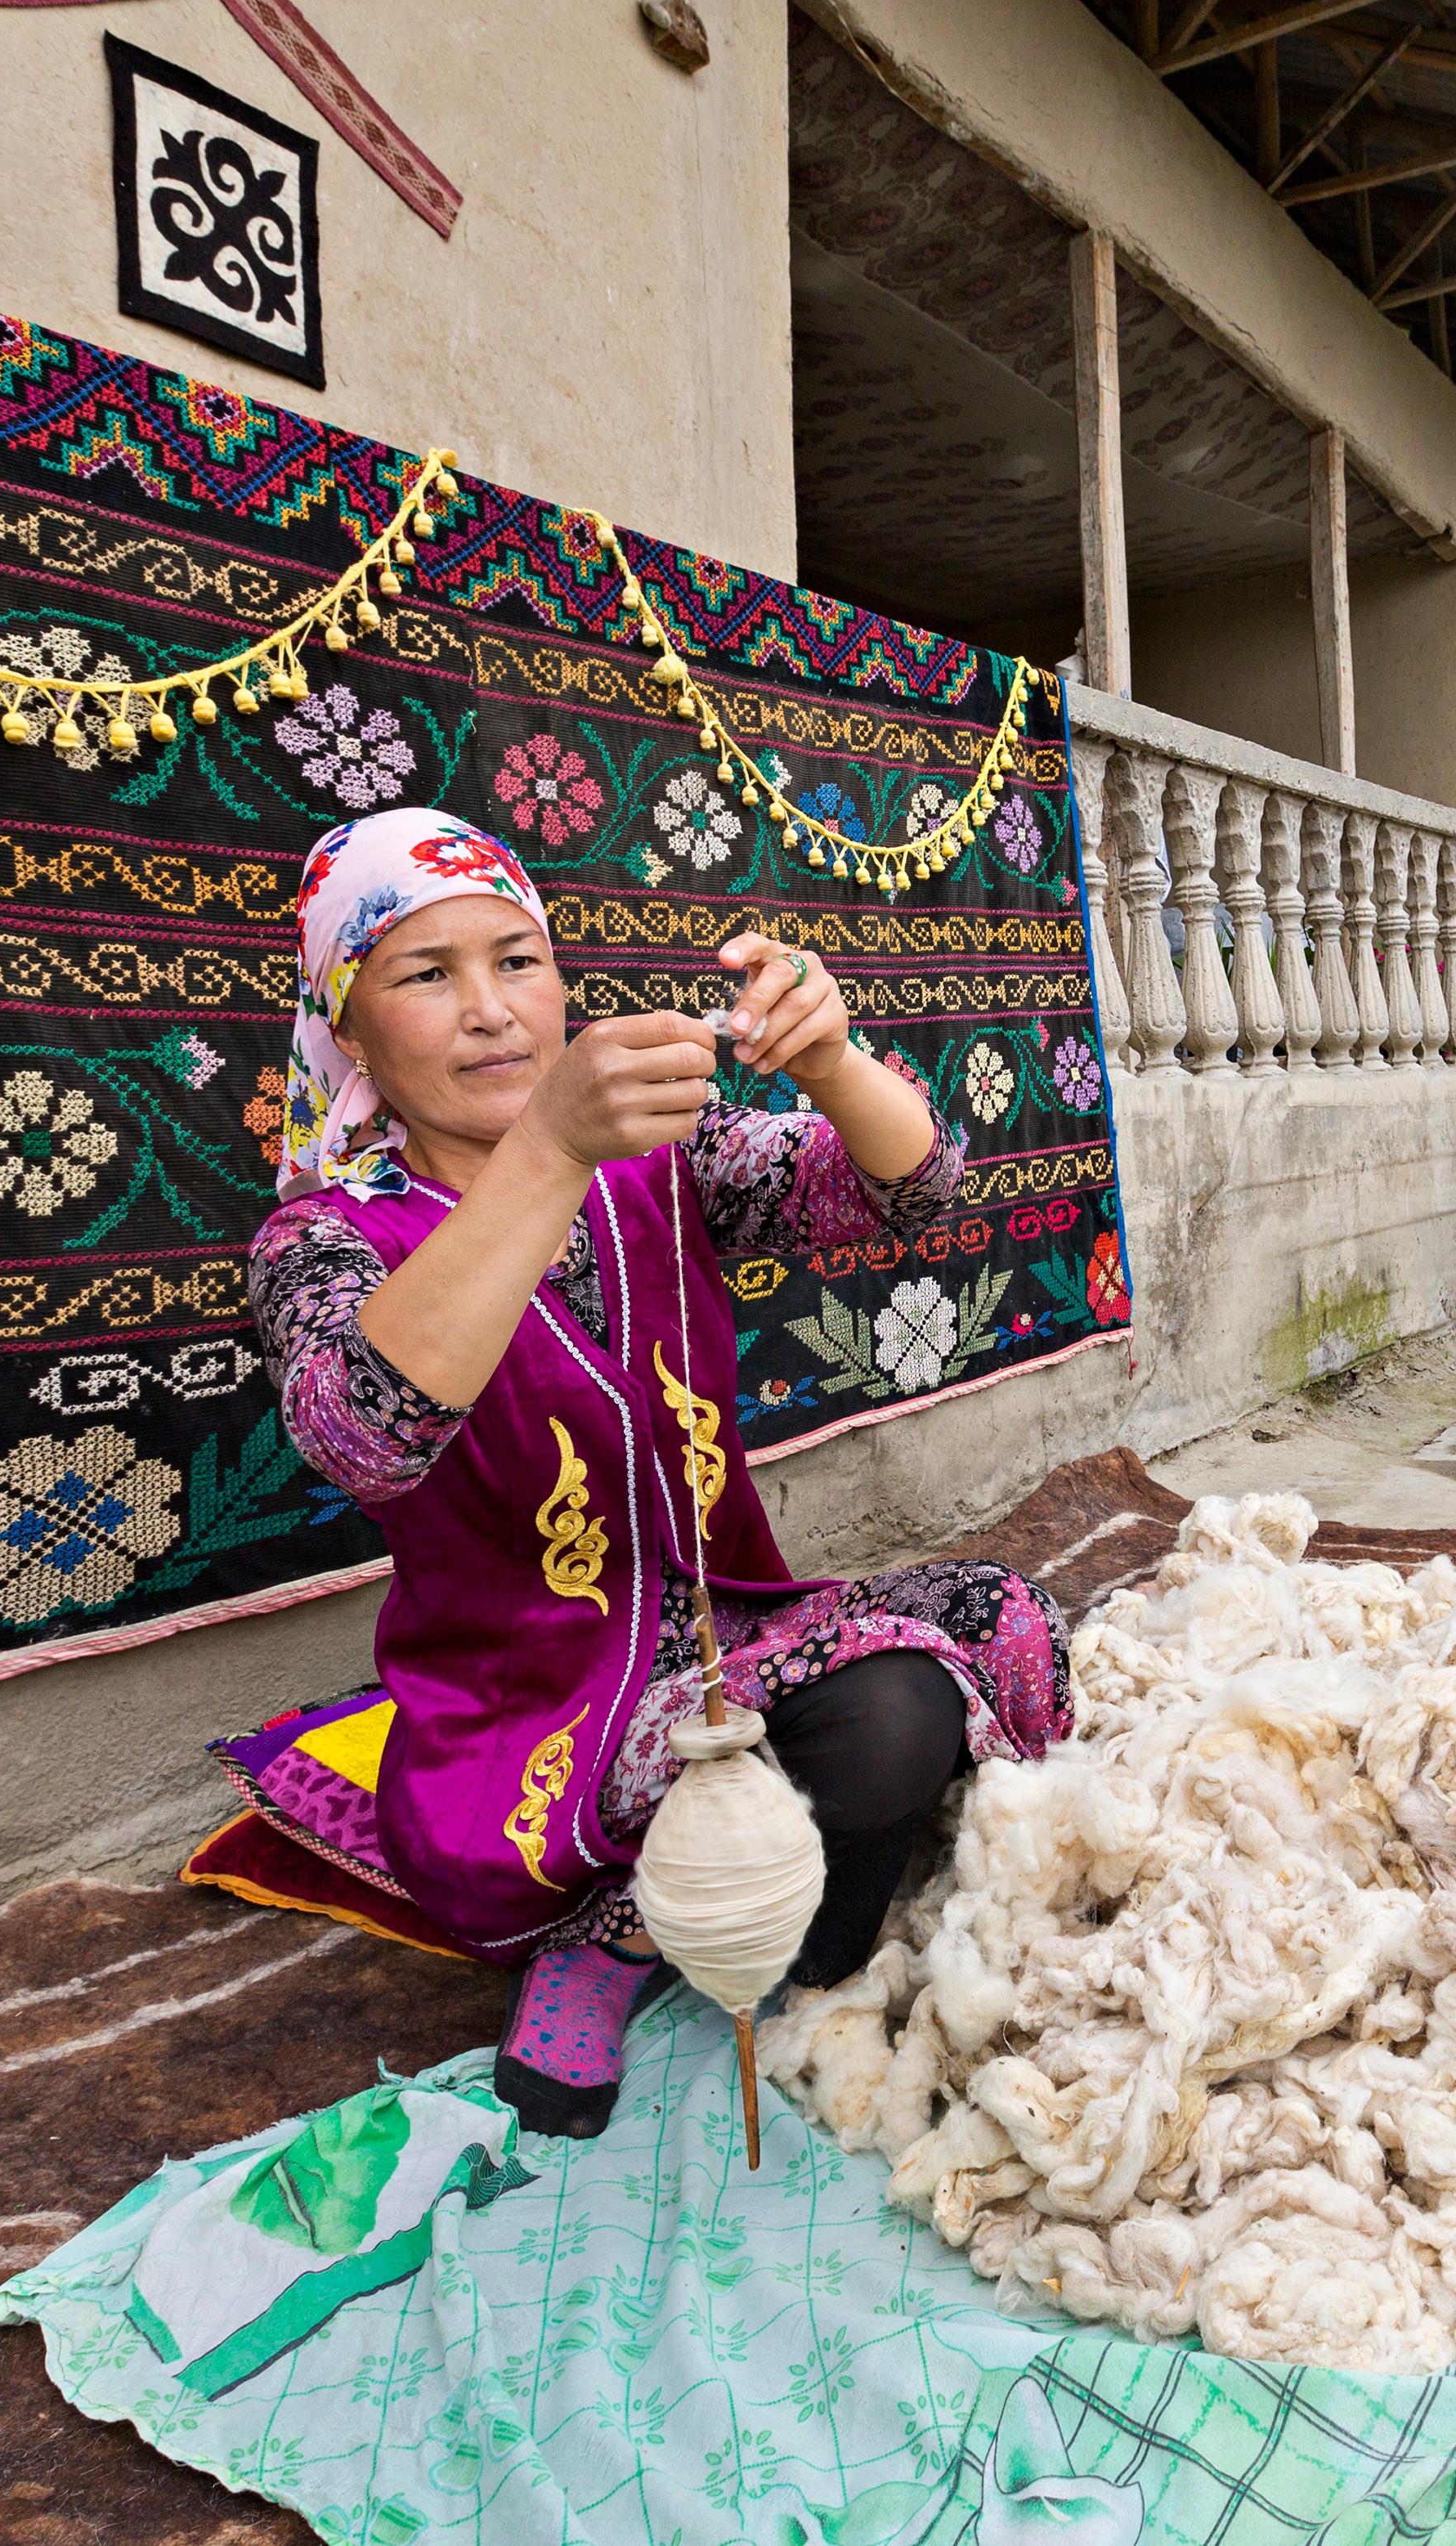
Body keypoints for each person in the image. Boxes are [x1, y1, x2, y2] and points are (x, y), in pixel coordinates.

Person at [247, 807, 1068, 2138]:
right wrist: (548, 1152)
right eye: (424, 974)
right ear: (346, 1026)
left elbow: (917, 1191)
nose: (489, 1012)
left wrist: (834, 1058)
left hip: (718, 1634)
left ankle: (684, 1910)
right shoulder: (326, 1239)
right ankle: (611, 1930)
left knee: (924, 1689)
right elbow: (362, 1433)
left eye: (517, 960)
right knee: (812, 1795)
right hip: (521, 1713)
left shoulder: (661, 1160)